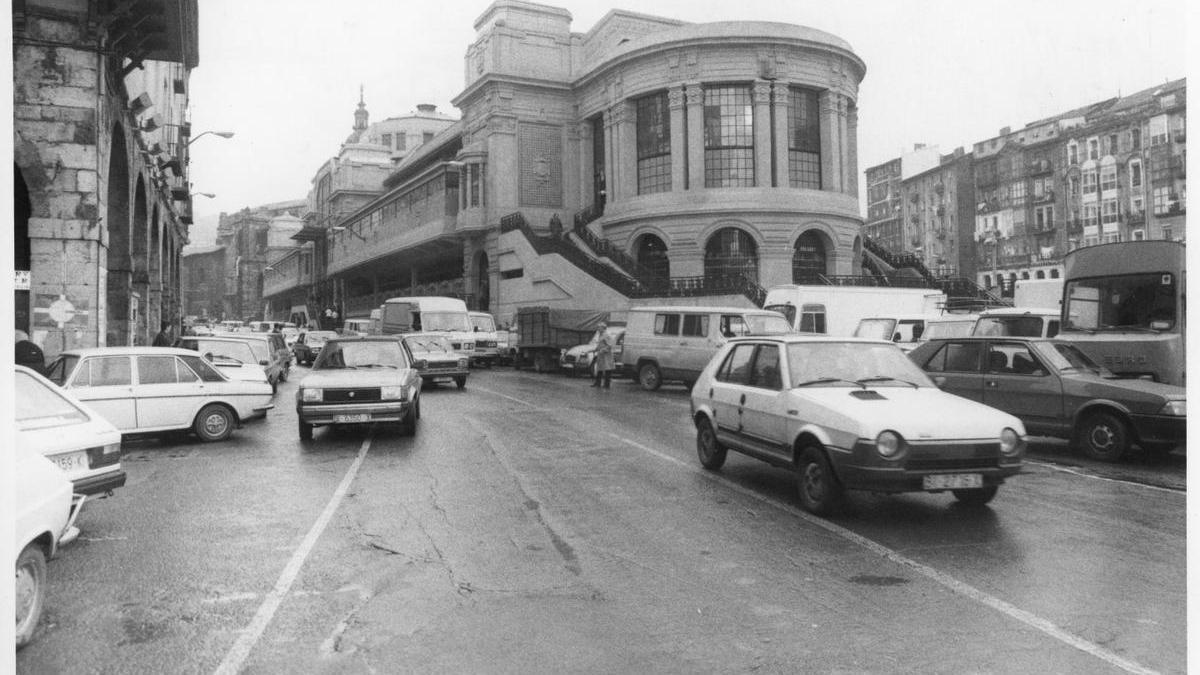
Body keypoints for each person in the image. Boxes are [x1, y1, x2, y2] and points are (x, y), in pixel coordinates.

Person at [591, 322, 614, 389]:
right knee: (599, 368)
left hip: (606, 355)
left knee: (607, 369)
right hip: (601, 355)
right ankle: (597, 383)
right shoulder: (600, 335)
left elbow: (610, 345)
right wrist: (595, 349)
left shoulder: (607, 335)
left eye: (599, 327)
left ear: (603, 328)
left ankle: (607, 385)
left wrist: (602, 350)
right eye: (598, 327)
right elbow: (600, 344)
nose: (598, 329)